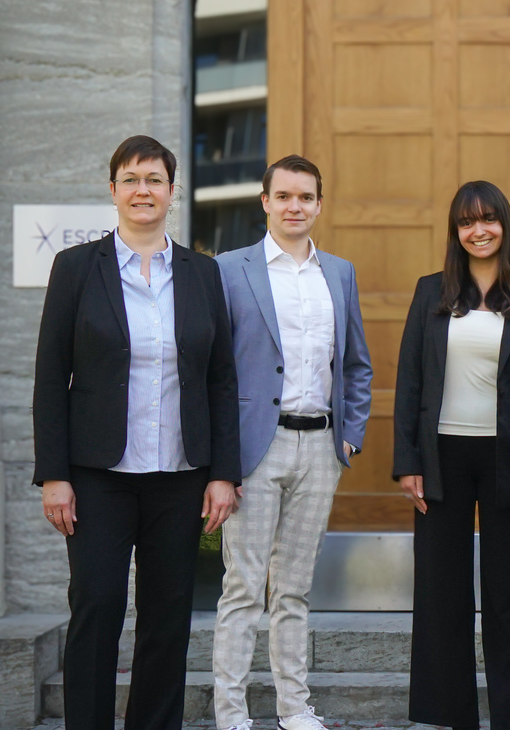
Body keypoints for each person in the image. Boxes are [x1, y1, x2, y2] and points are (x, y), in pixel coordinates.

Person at [33, 135, 241, 730]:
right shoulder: (76, 267)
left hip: (180, 476)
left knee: (167, 614)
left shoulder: (202, 273)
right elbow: (51, 378)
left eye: (154, 179)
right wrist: (54, 476)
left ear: (172, 191)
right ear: (113, 190)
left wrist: (223, 473)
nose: (142, 190)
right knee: (96, 605)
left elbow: (222, 379)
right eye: (131, 179)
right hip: (98, 476)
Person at [212, 154, 372, 730]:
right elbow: (216, 370)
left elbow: (356, 363)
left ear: (319, 204)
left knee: (295, 592)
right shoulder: (232, 269)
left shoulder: (340, 272)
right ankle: (230, 712)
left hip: (320, 449)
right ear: (265, 202)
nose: (294, 206)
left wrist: (349, 436)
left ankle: (293, 708)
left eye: (305, 197)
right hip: (255, 452)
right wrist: (221, 462)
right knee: (243, 589)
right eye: (284, 196)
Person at [393, 181, 510, 730]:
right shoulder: (431, 291)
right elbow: (410, 380)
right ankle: (448, 714)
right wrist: (407, 460)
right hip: (442, 459)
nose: (479, 231)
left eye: (488, 219)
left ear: (505, 224)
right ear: (456, 232)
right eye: (466, 222)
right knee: (441, 592)